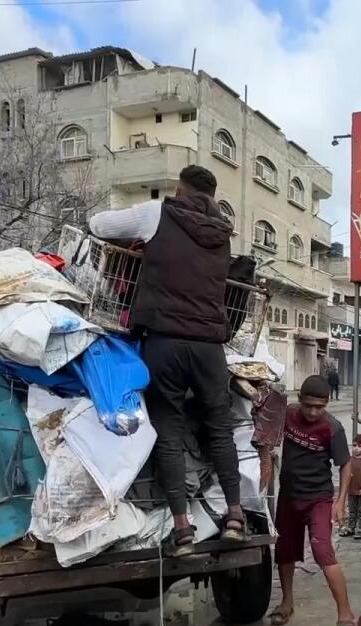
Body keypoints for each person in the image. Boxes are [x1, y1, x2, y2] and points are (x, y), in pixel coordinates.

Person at [88, 164, 244, 554]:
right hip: (210, 345)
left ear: (179, 189)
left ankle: (182, 528)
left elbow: (99, 224)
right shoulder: (223, 232)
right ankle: (236, 516)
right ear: (211, 196)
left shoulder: (159, 212)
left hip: (165, 340)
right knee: (219, 428)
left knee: (168, 428)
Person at [268, 375, 356, 626]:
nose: (313, 412)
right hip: (289, 496)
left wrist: (340, 502)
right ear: (300, 401)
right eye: (309, 406)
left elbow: (346, 465)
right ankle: (286, 602)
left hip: (318, 498)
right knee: (285, 552)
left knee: (322, 551)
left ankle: (346, 615)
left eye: (320, 407)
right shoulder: (288, 415)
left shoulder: (332, 428)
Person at [340, 434, 361, 540]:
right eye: (354, 445)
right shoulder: (348, 461)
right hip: (351, 491)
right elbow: (343, 473)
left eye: (359, 446)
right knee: (352, 511)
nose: (356, 448)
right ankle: (351, 528)